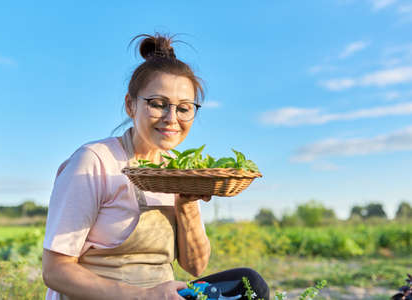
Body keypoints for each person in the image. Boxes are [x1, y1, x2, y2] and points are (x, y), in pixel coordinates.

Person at [42, 33, 269, 300]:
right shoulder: (94, 161)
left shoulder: (178, 169)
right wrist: (143, 296)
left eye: (184, 108)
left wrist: (186, 204)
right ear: (130, 105)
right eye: (158, 104)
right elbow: (55, 271)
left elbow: (195, 266)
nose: (171, 119)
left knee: (250, 284)